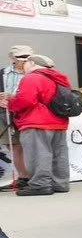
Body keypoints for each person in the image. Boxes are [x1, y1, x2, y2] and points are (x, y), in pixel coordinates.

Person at [5, 54, 72, 196]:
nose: (23, 66)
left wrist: (11, 104)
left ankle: (40, 184)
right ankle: (60, 183)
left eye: (25, 63)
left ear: (32, 63)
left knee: (38, 154)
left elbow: (26, 100)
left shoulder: (32, 78)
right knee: (59, 154)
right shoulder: (60, 79)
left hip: (36, 121)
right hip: (58, 122)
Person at [3, 43, 34, 189]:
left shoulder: (35, 73)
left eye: (27, 58)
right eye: (20, 57)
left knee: (30, 144)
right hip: (5, 113)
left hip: (27, 112)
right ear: (12, 57)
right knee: (14, 146)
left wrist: (13, 98)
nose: (23, 61)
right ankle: (23, 177)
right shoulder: (3, 73)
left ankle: (36, 176)